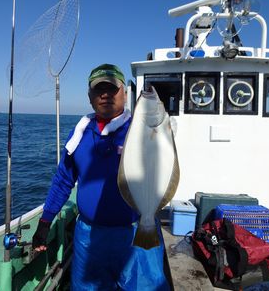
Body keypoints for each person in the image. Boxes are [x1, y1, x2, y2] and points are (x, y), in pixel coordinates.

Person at [32, 64, 170, 291]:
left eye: (112, 89)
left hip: (137, 232)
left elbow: (164, 167)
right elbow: (64, 180)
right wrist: (45, 222)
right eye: (98, 90)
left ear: (125, 93)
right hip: (90, 238)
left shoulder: (142, 128)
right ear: (89, 96)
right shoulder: (79, 134)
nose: (105, 95)